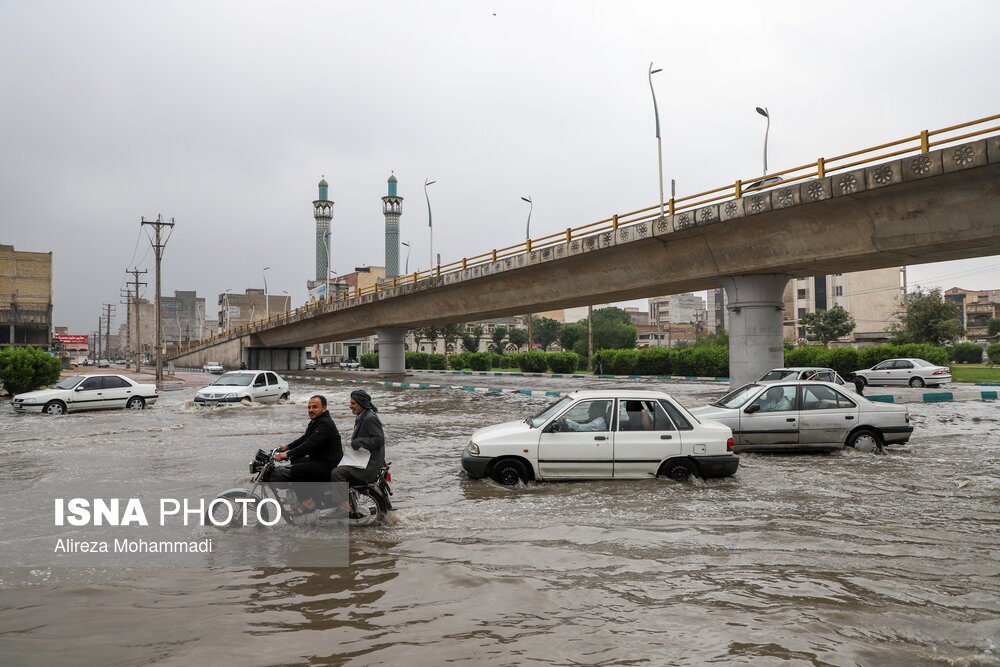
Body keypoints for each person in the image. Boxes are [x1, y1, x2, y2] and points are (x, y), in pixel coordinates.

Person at [273, 394, 343, 514]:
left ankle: (308, 502)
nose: (311, 410)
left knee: (296, 470)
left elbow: (310, 444)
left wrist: (287, 454)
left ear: (324, 407)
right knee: (297, 460)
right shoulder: (316, 421)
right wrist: (287, 447)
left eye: (315, 407)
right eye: (309, 407)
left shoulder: (325, 424)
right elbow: (305, 438)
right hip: (321, 460)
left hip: (328, 465)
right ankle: (312, 493)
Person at [330, 390, 386, 515]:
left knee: (337, 473)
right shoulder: (363, 416)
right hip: (364, 459)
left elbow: (379, 439)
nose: (350, 406)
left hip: (368, 466)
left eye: (353, 403)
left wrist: (360, 442)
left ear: (362, 403)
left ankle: (343, 506)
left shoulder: (370, 418)